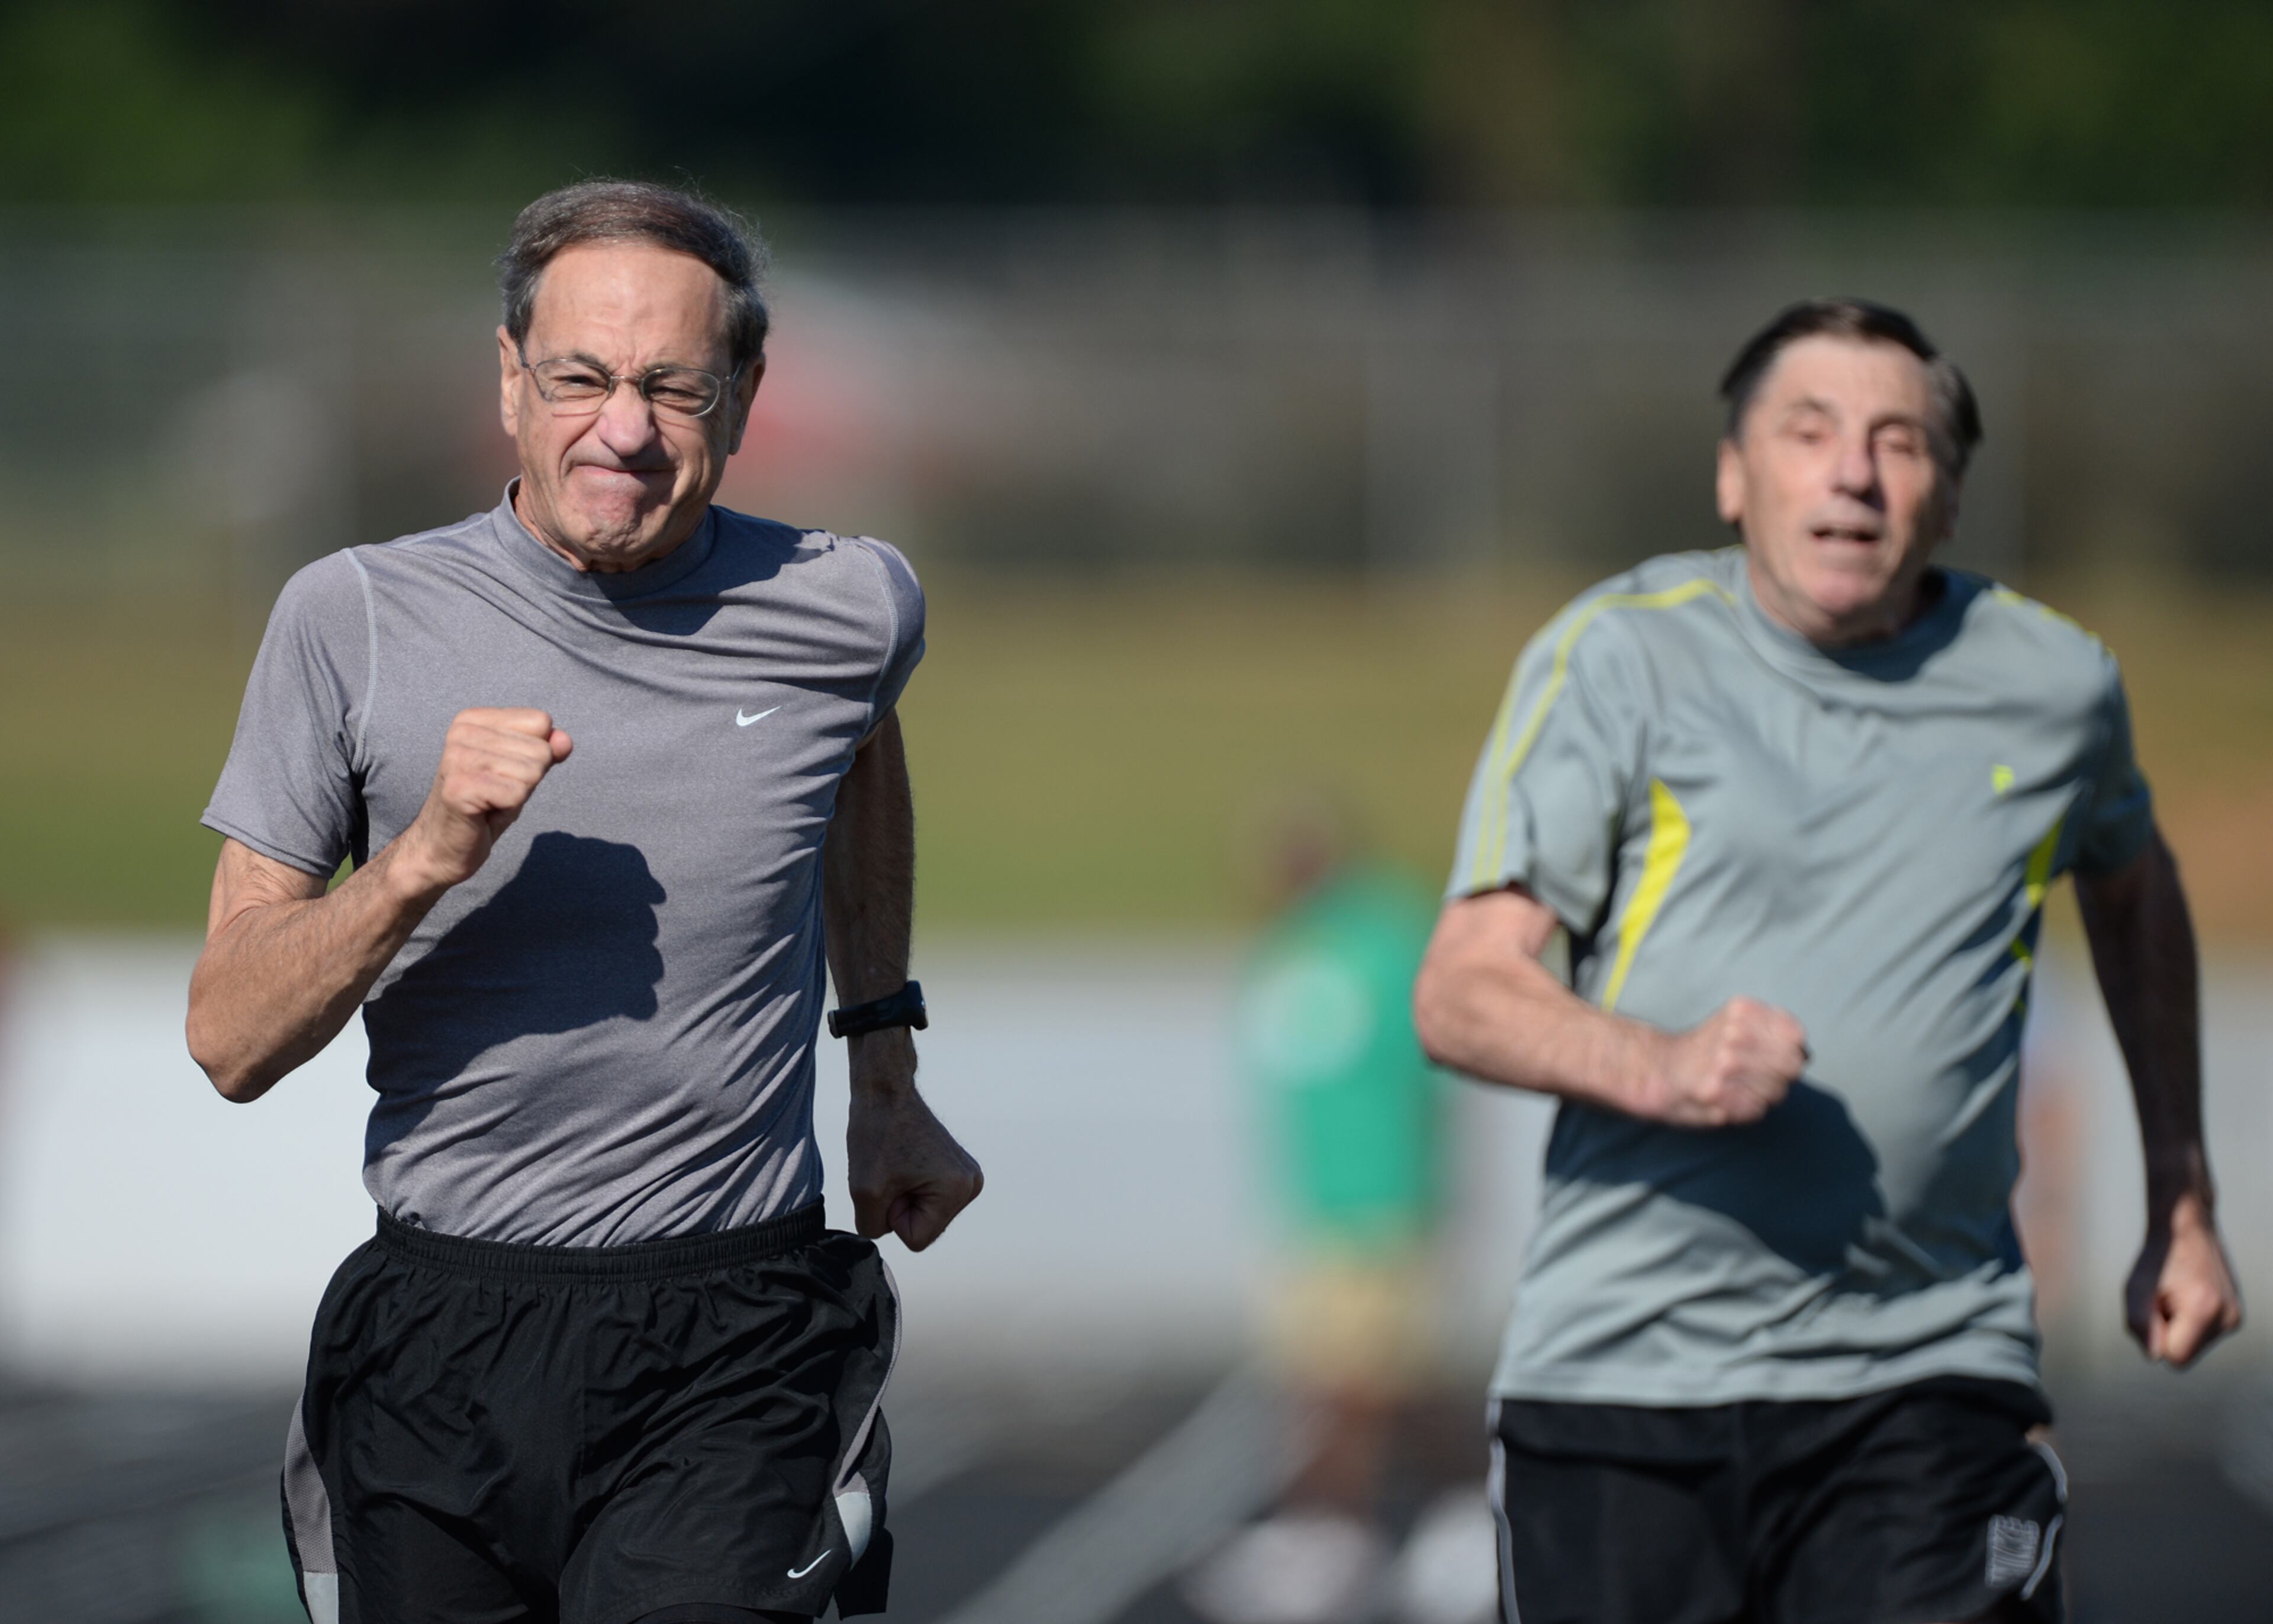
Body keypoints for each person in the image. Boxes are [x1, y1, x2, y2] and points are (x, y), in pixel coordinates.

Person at [185, 179, 983, 1624]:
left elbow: (864, 748)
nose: (624, 430)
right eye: (583, 378)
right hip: (438, 1333)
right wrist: (422, 855)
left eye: (674, 387)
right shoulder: (346, 618)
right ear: (509, 380)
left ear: (743, 395)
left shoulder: (853, 606)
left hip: (735, 1326)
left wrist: (885, 1064)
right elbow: (229, 1037)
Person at [1412, 298, 2242, 1624]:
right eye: (1810, 432)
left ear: (1953, 492)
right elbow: (1461, 992)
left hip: (1929, 1374)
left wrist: (2181, 1196)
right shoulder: (1619, 655)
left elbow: (2138, 896)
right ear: (1736, 476)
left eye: (1900, 441)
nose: (1854, 471)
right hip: (1630, 1383)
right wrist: (1665, 1066)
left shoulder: (2054, 686)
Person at [1184, 805, 1444, 1624]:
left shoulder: (1385, 940)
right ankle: (1450, 1513)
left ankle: (1327, 1536)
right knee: (1364, 1386)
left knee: (1346, 1387)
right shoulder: (1293, 945)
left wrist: (1425, 1192)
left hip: (1376, 1199)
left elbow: (1426, 1074)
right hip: (1313, 1200)